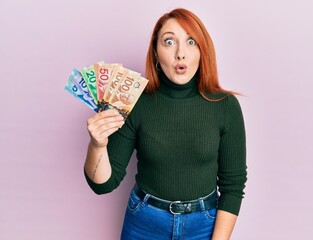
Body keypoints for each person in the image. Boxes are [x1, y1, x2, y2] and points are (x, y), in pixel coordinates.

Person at [84, 8, 247, 240]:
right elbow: (103, 185)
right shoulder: (135, 103)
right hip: (144, 223)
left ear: (203, 50)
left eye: (191, 41)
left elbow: (233, 186)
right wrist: (97, 145)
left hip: (203, 226)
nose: (181, 53)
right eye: (169, 41)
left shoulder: (226, 106)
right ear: (155, 53)